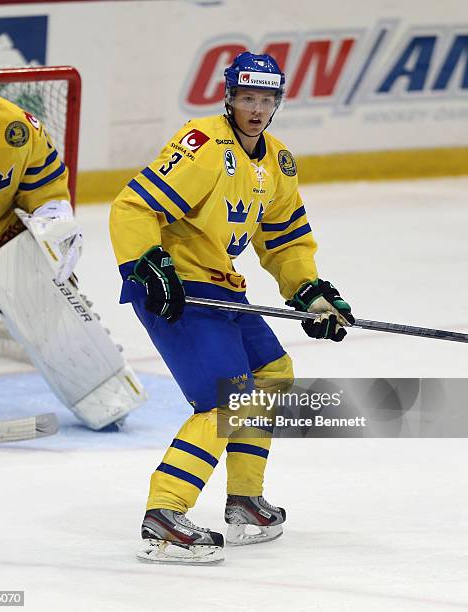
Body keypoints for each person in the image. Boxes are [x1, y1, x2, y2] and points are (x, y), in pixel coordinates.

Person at [110, 52, 354, 564]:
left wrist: (310, 291)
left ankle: (244, 499)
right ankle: (165, 513)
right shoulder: (202, 144)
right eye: (247, 98)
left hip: (223, 290)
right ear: (230, 97)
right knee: (226, 400)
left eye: (266, 99)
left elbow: (285, 239)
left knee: (272, 371)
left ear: (277, 102)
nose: (256, 108)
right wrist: (145, 264)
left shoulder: (278, 161)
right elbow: (133, 207)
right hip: (177, 288)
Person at [0, 49, 145, 433]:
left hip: (7, 237)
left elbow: (44, 185)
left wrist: (55, 223)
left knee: (52, 316)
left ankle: (104, 395)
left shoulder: (15, 127)